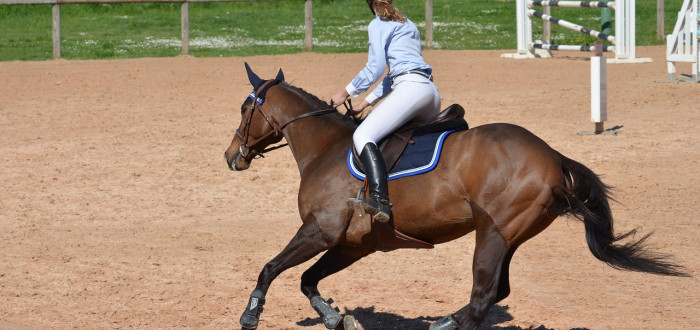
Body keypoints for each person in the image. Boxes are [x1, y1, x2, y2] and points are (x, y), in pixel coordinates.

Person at [331, 0, 441, 223]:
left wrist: (346, 92)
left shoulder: (377, 24)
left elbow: (376, 68)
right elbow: (396, 73)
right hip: (430, 93)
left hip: (411, 90)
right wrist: (366, 103)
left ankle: (380, 200)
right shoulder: (407, 23)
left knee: (363, 136)